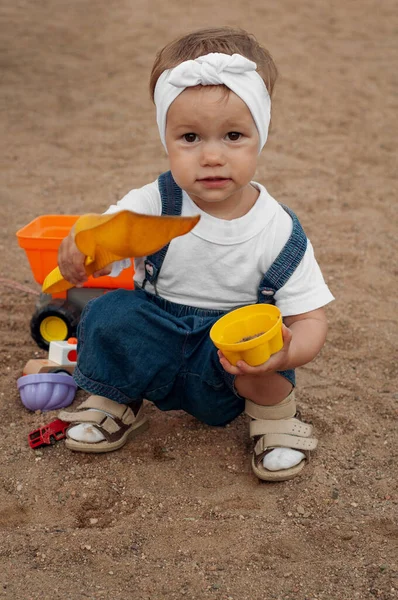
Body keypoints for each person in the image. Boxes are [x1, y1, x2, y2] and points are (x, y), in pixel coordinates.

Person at [57, 26, 334, 482]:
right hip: (158, 333)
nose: (211, 156)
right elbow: (105, 235)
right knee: (110, 315)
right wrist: (84, 248)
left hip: (228, 357)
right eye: (190, 138)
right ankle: (115, 399)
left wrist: (285, 356)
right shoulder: (154, 202)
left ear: (260, 136)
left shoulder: (278, 229)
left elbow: (311, 319)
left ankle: (275, 419)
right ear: (165, 138)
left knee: (263, 366)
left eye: (232, 136)